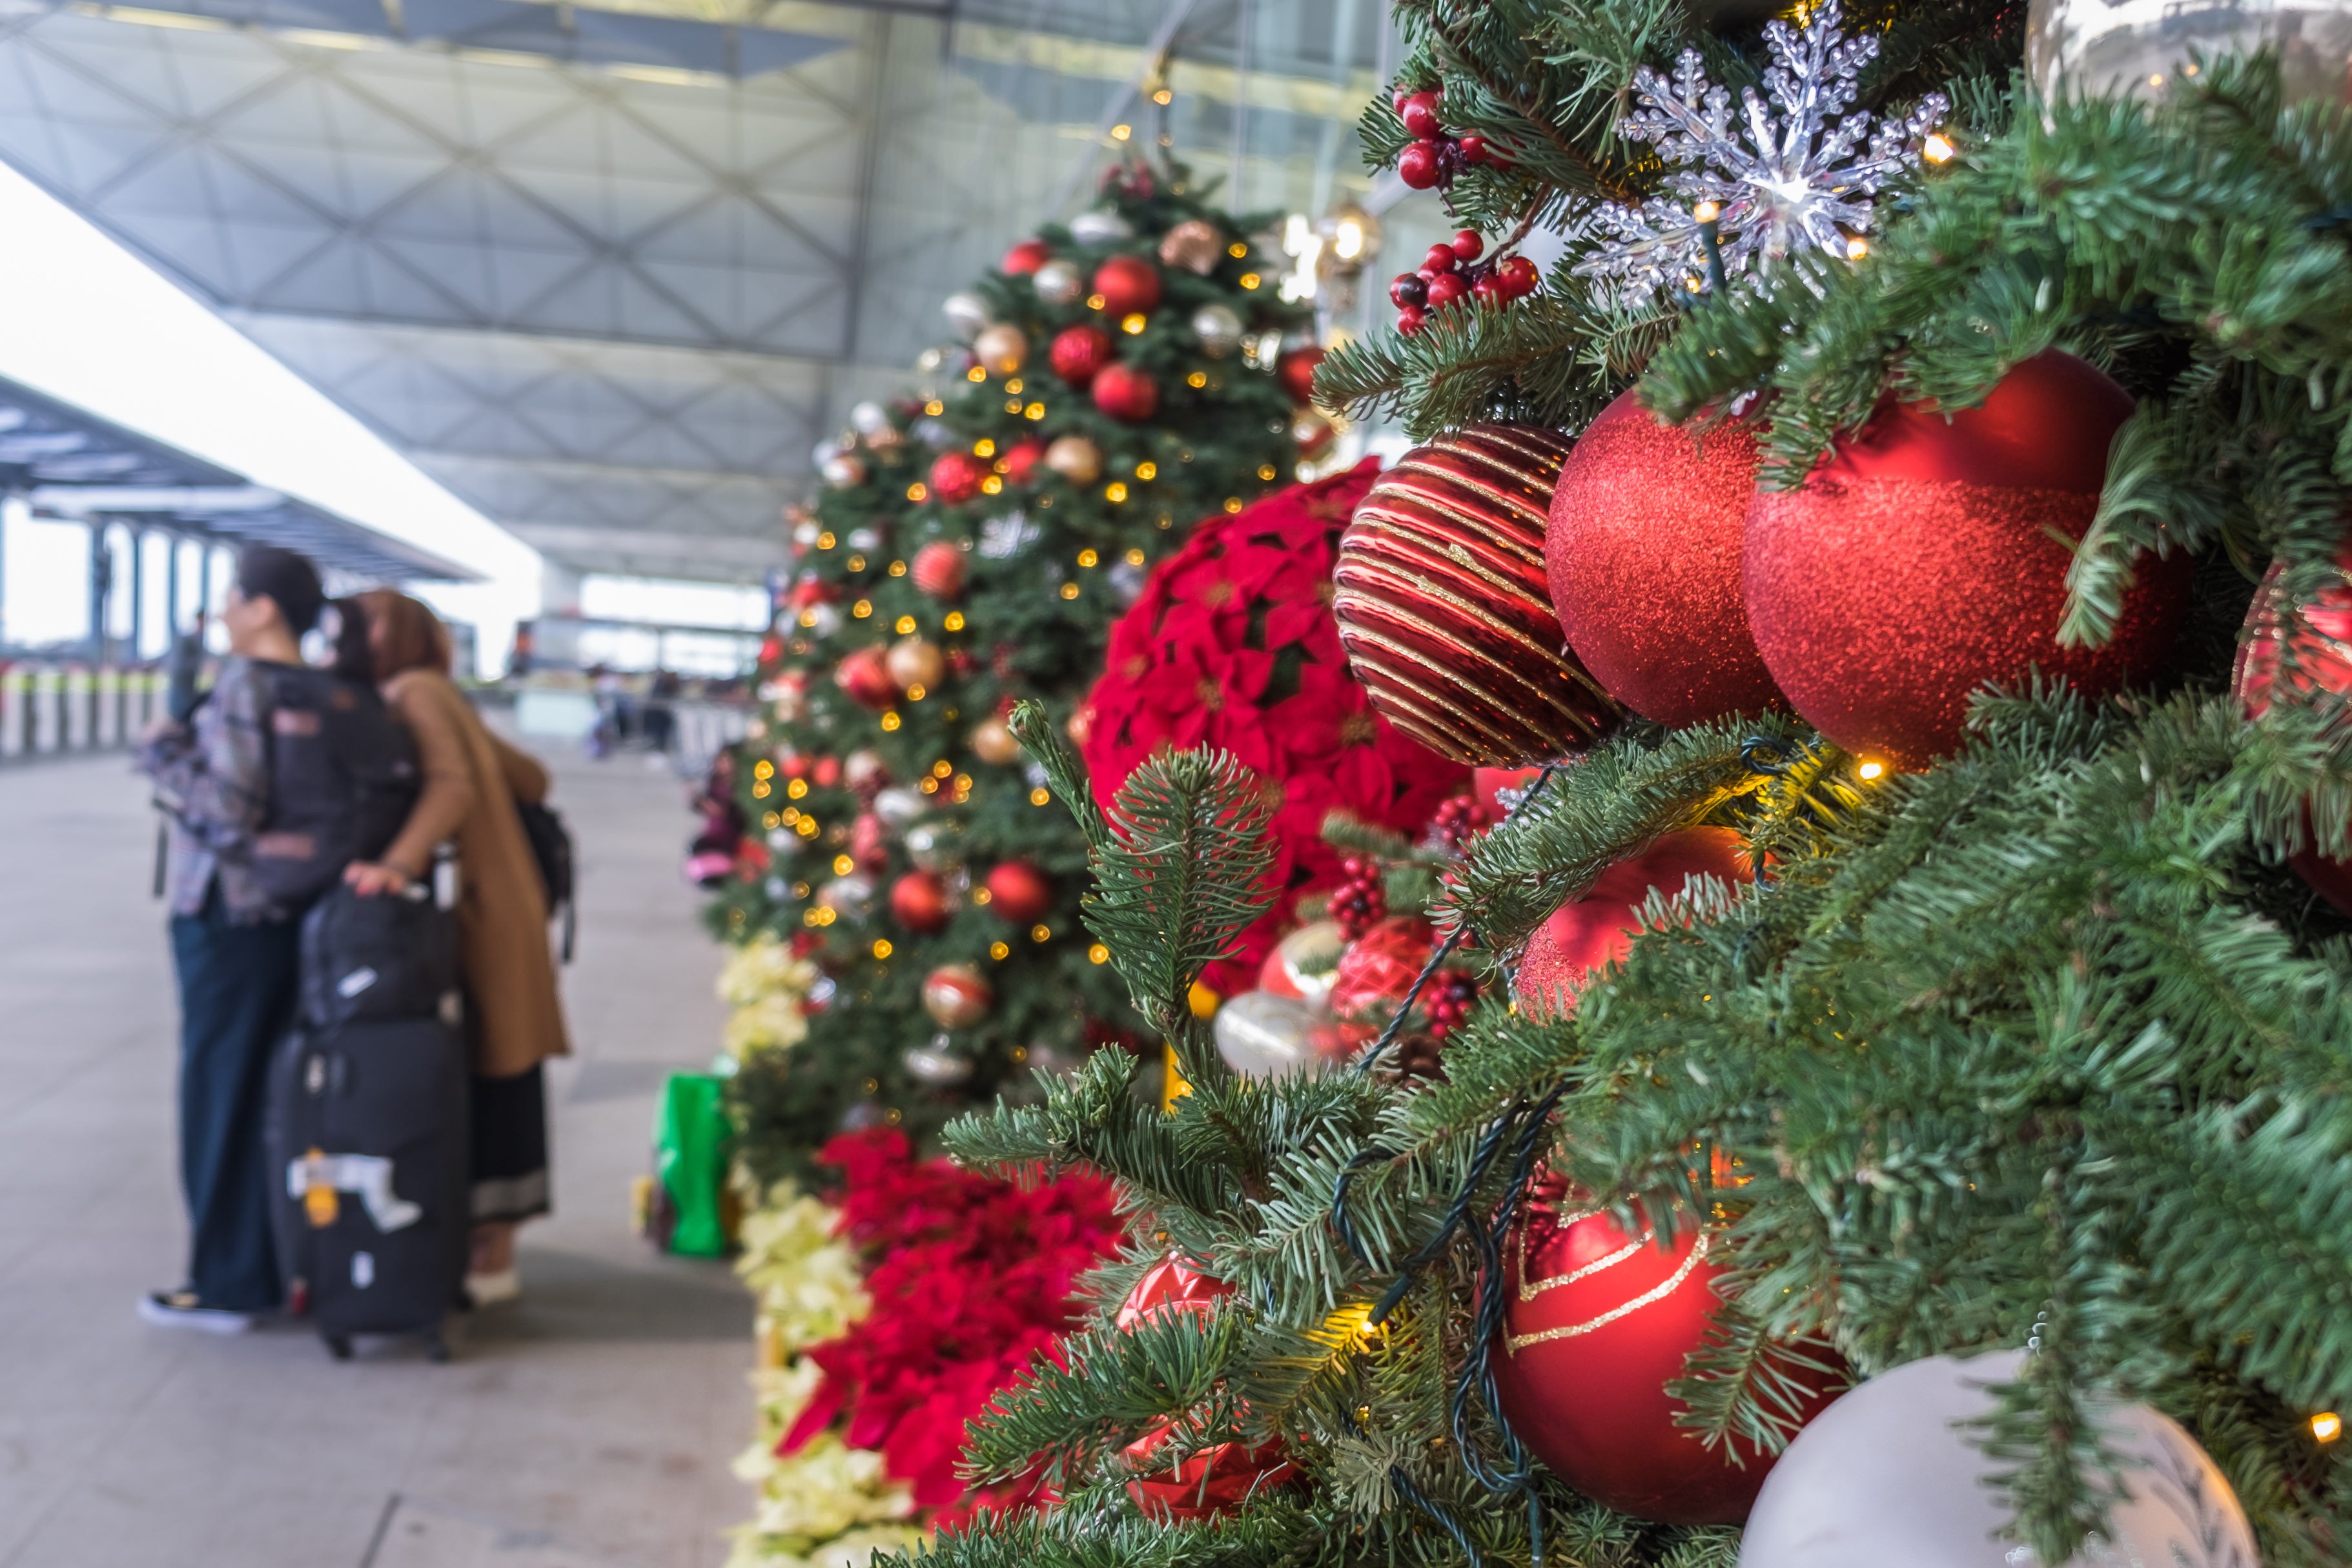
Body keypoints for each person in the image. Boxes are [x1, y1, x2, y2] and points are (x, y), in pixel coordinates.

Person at [334, 589, 571, 1305]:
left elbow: (454, 785)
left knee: (489, 1070)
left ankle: (489, 1254)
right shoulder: (441, 692)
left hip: (475, 910)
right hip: (506, 903)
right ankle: (495, 1248)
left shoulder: (412, 692)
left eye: (365, 621)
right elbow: (531, 777)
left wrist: (398, 864)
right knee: (507, 1063)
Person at [136, 545, 326, 1331]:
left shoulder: (247, 682)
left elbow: (229, 806)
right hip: (286, 910)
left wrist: (161, 751)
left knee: (218, 1095)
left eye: (232, 598)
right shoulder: (315, 686)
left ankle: (226, 1282)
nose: (221, 611)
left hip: (227, 912)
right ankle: (262, 1266)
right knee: (261, 1099)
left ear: (264, 608)